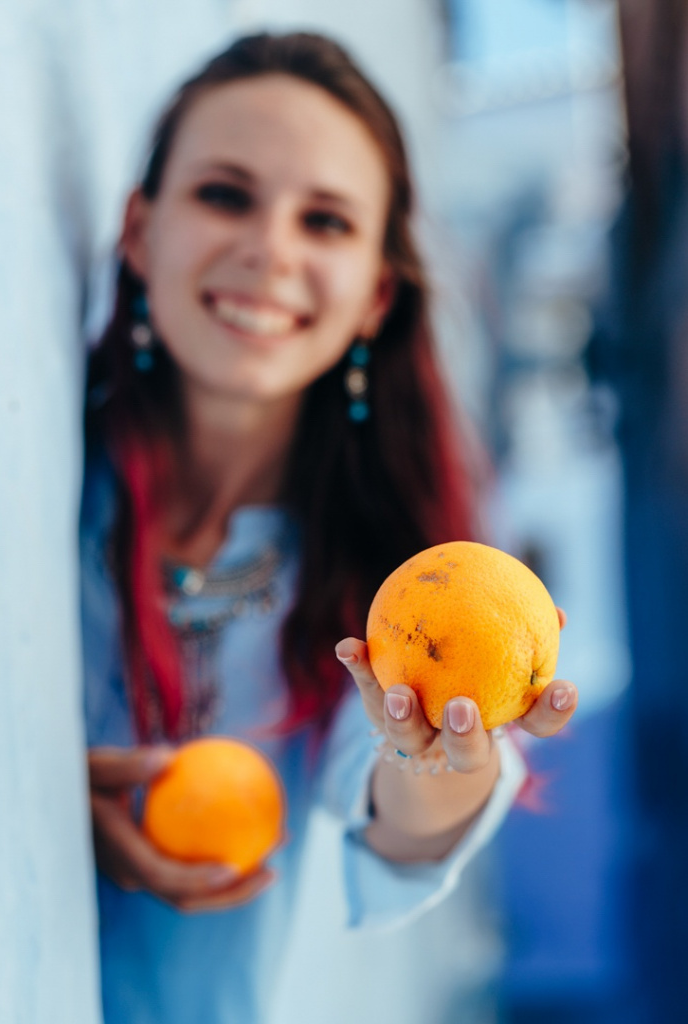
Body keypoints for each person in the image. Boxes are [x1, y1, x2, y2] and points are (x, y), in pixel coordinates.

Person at [80, 31, 578, 1024]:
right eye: (225, 194)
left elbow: (397, 812)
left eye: (328, 221)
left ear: (375, 295)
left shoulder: (381, 578)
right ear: (140, 232)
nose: (271, 251)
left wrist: (442, 755)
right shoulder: (33, 484)